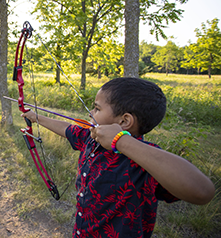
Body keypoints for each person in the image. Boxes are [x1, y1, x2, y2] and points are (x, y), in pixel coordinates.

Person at [22, 77, 215, 238]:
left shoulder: (143, 161)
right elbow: (68, 130)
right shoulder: (92, 140)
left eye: (97, 109)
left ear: (124, 121)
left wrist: (121, 142)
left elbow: (202, 191)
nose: (91, 113)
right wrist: (36, 117)